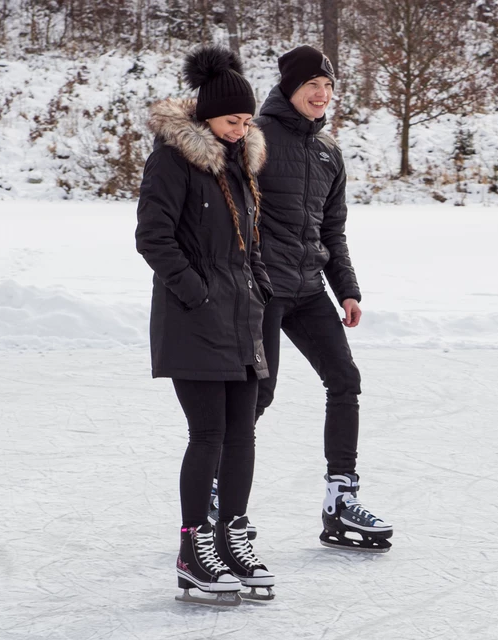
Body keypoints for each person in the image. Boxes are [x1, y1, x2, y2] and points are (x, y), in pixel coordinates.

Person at [212, 45, 393, 553]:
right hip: (264, 287)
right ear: (290, 89)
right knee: (258, 395)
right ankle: (217, 492)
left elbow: (331, 230)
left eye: (329, 86)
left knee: (344, 379)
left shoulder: (328, 151)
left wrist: (348, 288)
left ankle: (341, 497)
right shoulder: (255, 138)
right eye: (313, 85)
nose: (322, 94)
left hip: (311, 289)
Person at [135, 45, 275, 606]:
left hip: (242, 318)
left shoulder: (239, 164)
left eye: (246, 121)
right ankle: (195, 548)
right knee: (209, 434)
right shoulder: (174, 160)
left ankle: (232, 534)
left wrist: (259, 287)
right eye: (231, 120)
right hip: (194, 319)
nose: (240, 130)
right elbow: (154, 238)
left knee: (243, 433)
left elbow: (249, 244)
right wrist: (197, 293)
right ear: (205, 117)